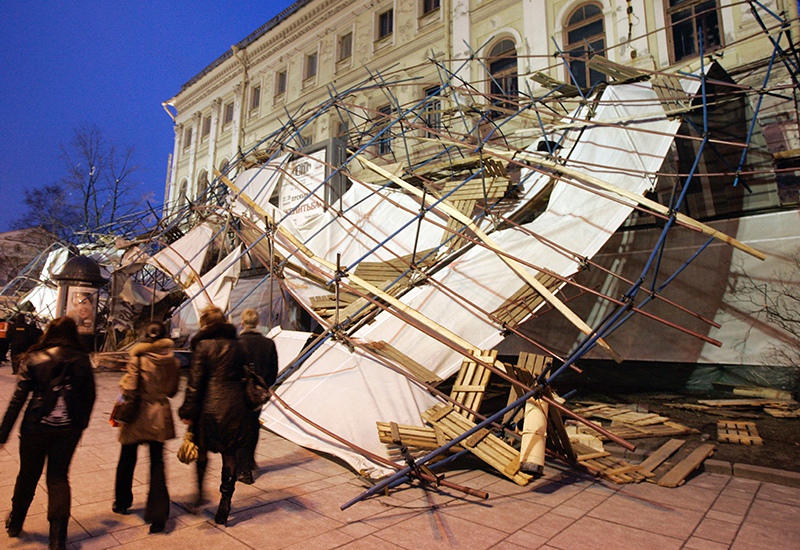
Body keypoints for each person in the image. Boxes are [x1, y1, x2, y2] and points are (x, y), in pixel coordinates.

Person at [0, 316, 96, 550]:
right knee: (58, 478)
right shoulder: (82, 359)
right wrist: (80, 424)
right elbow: (90, 396)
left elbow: (18, 398)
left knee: (27, 475)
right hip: (68, 429)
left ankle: (16, 522)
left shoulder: (34, 356)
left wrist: (3, 433)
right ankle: (57, 539)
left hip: (35, 426)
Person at [178, 305, 249, 526]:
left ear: (205, 324)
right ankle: (225, 503)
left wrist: (187, 410)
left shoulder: (203, 346)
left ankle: (199, 495)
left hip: (208, 408)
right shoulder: (239, 346)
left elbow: (195, 384)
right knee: (229, 455)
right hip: (235, 406)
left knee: (201, 454)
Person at [112, 321, 180, 534]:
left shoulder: (138, 358)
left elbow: (130, 386)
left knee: (127, 457)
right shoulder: (173, 361)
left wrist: (123, 383)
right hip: (159, 413)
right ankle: (159, 514)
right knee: (157, 462)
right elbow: (172, 391)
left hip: (137, 414)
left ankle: (122, 502)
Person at [236, 308, 278, 485]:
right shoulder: (268, 343)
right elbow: (273, 371)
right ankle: (251, 460)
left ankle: (243, 469)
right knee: (253, 425)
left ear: (242, 323)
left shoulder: (236, 343)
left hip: (239, 392)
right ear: (258, 323)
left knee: (240, 429)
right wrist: (263, 386)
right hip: (258, 394)